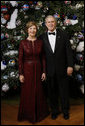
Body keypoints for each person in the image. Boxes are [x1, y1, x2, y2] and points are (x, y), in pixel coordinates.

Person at [39, 15, 74, 120]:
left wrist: (70, 65)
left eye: (52, 22)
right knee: (51, 92)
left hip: (62, 68)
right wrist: (43, 70)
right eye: (48, 22)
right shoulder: (41, 37)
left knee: (63, 91)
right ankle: (54, 110)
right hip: (49, 70)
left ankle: (65, 110)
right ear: (45, 24)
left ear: (56, 23)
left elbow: (69, 52)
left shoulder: (63, 35)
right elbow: (41, 56)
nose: (50, 24)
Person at [18, 21, 49, 123]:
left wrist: (44, 71)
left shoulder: (40, 42)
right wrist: (21, 74)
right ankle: (27, 114)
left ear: (36, 30)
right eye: (30, 28)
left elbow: (43, 58)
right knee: (27, 92)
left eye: (34, 28)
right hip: (27, 70)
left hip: (39, 69)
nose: (32, 30)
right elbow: (20, 59)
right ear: (27, 30)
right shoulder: (23, 42)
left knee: (39, 91)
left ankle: (40, 113)